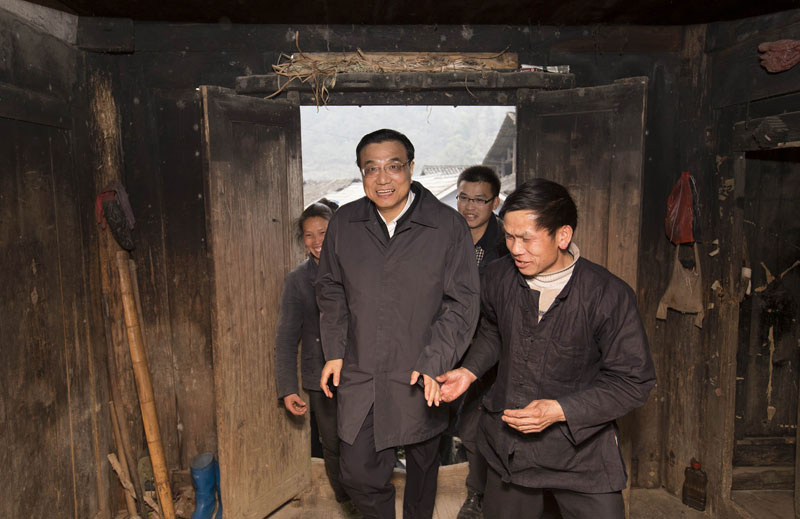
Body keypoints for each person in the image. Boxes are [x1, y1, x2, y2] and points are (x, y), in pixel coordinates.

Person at [438, 179, 656, 519]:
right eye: (509, 237)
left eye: (526, 238)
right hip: (510, 446)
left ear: (562, 236)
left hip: (580, 451)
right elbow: (494, 331)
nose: (515, 249)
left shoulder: (607, 295)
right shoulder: (498, 277)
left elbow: (632, 381)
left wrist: (558, 410)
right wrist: (469, 371)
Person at [317, 129, 480, 519]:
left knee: (423, 467)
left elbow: (462, 303)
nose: (382, 178)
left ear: (411, 167)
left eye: (393, 166)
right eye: (371, 168)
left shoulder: (447, 226)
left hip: (420, 368)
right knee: (356, 473)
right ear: (360, 173)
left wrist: (435, 361)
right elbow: (330, 288)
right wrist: (335, 351)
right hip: (361, 369)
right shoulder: (345, 223)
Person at [273, 200, 358, 517]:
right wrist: (287, 388)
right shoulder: (297, 280)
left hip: (361, 371)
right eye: (308, 235)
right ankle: (347, 503)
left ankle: (370, 496)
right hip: (321, 378)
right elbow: (286, 338)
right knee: (332, 445)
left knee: (364, 441)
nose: (316, 240)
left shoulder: (358, 269)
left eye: (323, 232)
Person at [452, 166, 507, 519]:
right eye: (464, 198)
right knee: (439, 419)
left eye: (480, 200)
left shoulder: (506, 241)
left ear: (495, 202)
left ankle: (477, 495)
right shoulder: (444, 234)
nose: (470, 207)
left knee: (479, 423)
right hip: (447, 341)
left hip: (490, 344)